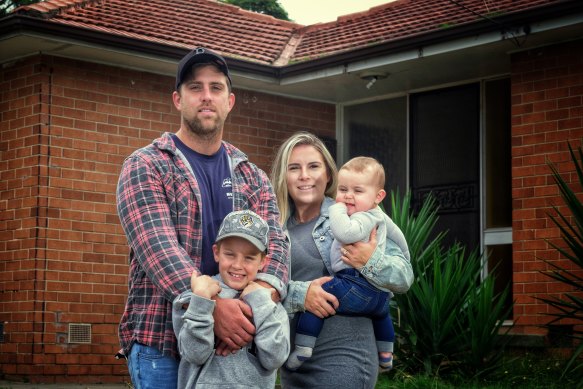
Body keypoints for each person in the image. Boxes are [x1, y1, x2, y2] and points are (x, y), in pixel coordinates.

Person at [116, 47, 289, 389]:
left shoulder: (251, 176)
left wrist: (259, 295)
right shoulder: (147, 165)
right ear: (178, 99)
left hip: (237, 352)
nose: (206, 96)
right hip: (162, 342)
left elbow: (277, 245)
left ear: (230, 100)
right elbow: (158, 249)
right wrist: (214, 309)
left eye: (216, 87)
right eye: (195, 87)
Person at [270, 131, 413, 389]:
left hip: (346, 358)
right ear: (284, 176)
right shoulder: (275, 229)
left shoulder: (357, 215)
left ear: (327, 175)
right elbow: (260, 288)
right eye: (294, 168)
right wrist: (300, 294)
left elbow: (404, 277)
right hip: (295, 361)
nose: (304, 175)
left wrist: (369, 261)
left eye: (313, 166)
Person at [172, 210, 290, 389]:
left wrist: (259, 300)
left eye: (249, 257)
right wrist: (202, 301)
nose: (237, 265)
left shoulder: (271, 302)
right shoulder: (196, 295)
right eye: (230, 254)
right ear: (216, 252)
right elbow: (194, 354)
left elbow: (275, 358)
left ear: (262, 261)